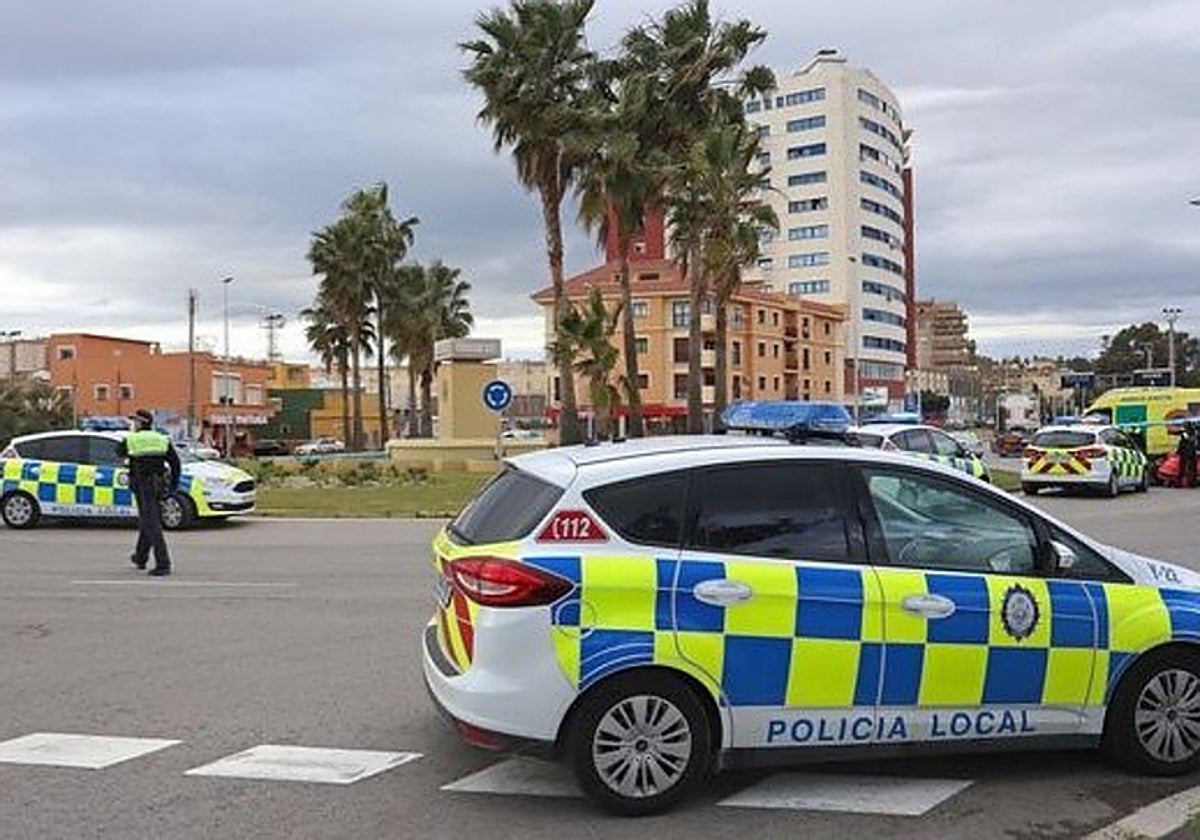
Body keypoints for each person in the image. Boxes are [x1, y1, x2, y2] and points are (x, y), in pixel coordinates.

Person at [118, 409, 181, 576]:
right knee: (147, 520)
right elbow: (175, 463)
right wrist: (174, 485)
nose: (133, 424)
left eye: (135, 422)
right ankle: (140, 557)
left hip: (143, 485)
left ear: (140, 422)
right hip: (158, 484)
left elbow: (119, 452)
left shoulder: (132, 439)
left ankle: (163, 564)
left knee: (151, 523)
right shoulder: (161, 439)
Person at [1180, 422, 1198, 490]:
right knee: (1192, 468)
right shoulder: (1193, 434)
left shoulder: (1185, 434)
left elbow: (1182, 444)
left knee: (1184, 468)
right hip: (1191, 453)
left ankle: (1182, 483)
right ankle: (1192, 483)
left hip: (1187, 453)